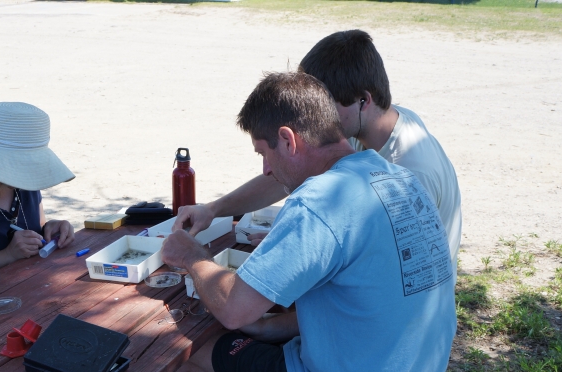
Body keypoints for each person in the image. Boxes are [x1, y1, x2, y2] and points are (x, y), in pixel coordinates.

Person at [124, 72, 457, 372]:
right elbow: (370, 301)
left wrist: (190, 256)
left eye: (263, 153)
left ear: (288, 139)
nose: (265, 168)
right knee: (238, 342)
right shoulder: (393, 177)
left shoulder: (319, 202)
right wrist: (275, 327)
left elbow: (235, 309)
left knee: (186, 351)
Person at [175, 30, 462, 265]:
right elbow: (288, 175)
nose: (317, 114)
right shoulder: (366, 125)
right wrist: (213, 209)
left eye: (326, 104)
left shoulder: (408, 172)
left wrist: (301, 249)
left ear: (364, 99)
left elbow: (391, 268)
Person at [0, 102, 76, 274]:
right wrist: (8, 254)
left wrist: (50, 228)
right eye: (18, 164)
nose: (24, 172)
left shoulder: (27, 182)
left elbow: (38, 225)